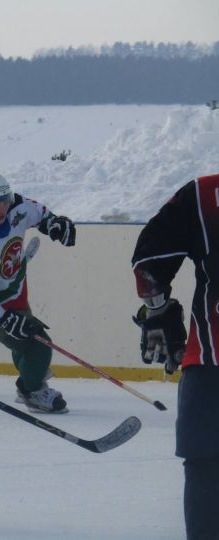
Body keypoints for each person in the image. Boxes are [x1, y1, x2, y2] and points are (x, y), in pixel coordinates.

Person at [131, 174, 219, 540]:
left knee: (205, 467)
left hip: (211, 362)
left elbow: (149, 259)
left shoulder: (204, 193)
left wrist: (158, 308)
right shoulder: (202, 194)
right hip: (210, 364)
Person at [0, 172, 76, 413]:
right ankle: (31, 391)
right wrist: (4, 317)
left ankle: (33, 379)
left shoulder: (18, 207)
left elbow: (41, 214)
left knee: (23, 345)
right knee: (39, 345)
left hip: (16, 291)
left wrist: (54, 223)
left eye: (5, 200)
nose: (2, 208)